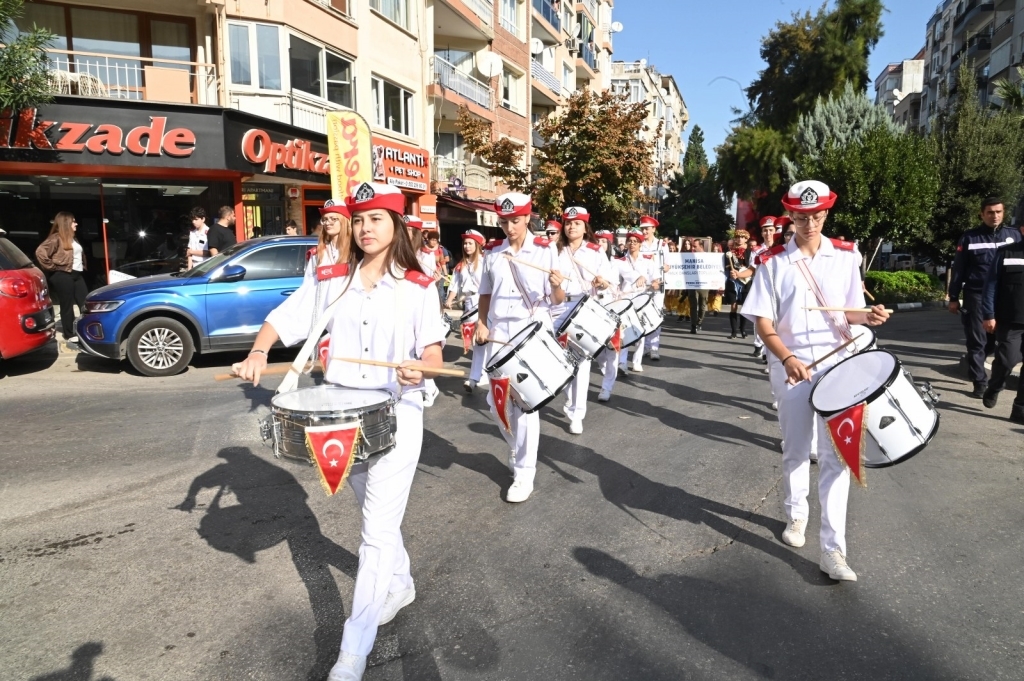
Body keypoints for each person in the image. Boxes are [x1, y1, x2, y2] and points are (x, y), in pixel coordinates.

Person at [232, 182, 447, 681]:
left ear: (397, 225)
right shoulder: (332, 276)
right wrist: (259, 353)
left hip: (397, 414)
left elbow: (433, 351)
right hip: (341, 419)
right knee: (377, 518)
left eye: (377, 218)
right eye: (361, 218)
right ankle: (401, 583)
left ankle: (352, 652)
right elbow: (287, 317)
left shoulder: (418, 284)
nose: (367, 228)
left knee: (373, 532)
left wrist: (423, 367)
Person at [742, 180, 890, 582]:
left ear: (827, 214)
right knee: (795, 449)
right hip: (790, 366)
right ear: (790, 216)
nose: (810, 223)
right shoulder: (772, 262)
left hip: (838, 366)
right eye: (802, 216)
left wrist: (869, 315)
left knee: (836, 456)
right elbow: (762, 321)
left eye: (818, 215)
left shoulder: (845, 257)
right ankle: (796, 515)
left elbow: (849, 313)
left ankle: (833, 550)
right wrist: (786, 357)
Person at [474, 192, 565, 503]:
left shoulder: (545, 250)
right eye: (503, 221)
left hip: (530, 330)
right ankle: (516, 447)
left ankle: (525, 472)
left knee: (525, 404)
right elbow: (484, 293)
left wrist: (556, 285)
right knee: (495, 402)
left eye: (515, 220)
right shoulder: (492, 252)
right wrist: (482, 323)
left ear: (527, 218)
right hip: (499, 333)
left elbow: (557, 300)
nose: (509, 227)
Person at [948, 197, 1022, 397]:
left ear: (1004, 212)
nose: (995, 216)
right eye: (990, 212)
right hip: (977, 296)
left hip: (1006, 299)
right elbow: (959, 269)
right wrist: (953, 296)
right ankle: (980, 382)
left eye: (998, 212)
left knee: (997, 342)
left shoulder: (1014, 236)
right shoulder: (970, 238)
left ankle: (993, 377)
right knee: (977, 341)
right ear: (982, 214)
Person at [553, 206, 614, 434]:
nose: (571, 226)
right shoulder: (554, 249)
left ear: (584, 226)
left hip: (583, 307)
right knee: (562, 360)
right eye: (568, 223)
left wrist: (602, 282)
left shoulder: (595, 251)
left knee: (582, 361)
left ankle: (577, 413)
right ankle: (570, 402)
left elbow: (608, 279)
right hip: (556, 307)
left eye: (576, 223)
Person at [981, 233, 1024, 422]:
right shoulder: (1006, 253)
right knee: (1007, 360)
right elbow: (991, 285)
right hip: (1010, 321)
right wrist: (989, 314)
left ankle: (1019, 409)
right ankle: (995, 385)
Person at [404, 215, 441, 408]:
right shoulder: (399, 252)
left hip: (423, 301)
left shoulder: (426, 255)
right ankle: (430, 387)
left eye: (409, 230)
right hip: (405, 302)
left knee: (424, 351)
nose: (405, 234)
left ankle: (429, 386)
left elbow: (428, 281)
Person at [445, 229, 488, 392]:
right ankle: (479, 375)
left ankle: (476, 376)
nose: (467, 246)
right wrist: (449, 300)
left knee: (481, 342)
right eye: (465, 243)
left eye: (470, 243)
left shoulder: (485, 262)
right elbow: (455, 285)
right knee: (478, 343)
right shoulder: (460, 265)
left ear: (477, 245)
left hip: (484, 303)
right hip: (469, 304)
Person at [36, 212, 87, 343]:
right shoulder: (56, 238)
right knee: (67, 305)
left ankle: (86, 329)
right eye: (73, 221)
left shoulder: (72, 238)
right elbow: (40, 252)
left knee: (85, 302)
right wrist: (53, 267)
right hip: (63, 274)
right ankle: (69, 334)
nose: (76, 224)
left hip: (76, 274)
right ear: (66, 223)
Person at [615, 229, 658, 374]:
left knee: (640, 332)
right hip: (625, 300)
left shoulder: (647, 260)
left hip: (641, 299)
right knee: (624, 333)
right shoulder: (619, 261)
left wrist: (655, 284)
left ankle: (637, 361)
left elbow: (656, 279)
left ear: (640, 244)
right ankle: (622, 363)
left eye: (635, 241)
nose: (632, 243)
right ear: (626, 244)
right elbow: (615, 281)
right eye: (630, 241)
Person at [638, 215, 668, 360]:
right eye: (642, 229)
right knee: (642, 315)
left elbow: (668, 264)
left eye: (646, 229)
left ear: (653, 229)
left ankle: (654, 348)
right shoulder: (638, 244)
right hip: (643, 286)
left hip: (658, 285)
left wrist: (666, 268)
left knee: (656, 316)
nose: (644, 232)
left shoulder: (662, 244)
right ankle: (645, 346)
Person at [724, 229, 754, 339]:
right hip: (733, 281)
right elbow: (725, 266)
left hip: (746, 280)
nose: (740, 239)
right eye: (738, 237)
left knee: (745, 306)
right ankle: (733, 331)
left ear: (746, 239)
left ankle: (743, 329)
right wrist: (730, 271)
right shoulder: (729, 253)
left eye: (742, 237)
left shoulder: (751, 252)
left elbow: (752, 267)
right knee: (733, 306)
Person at [687, 239, 710, 334]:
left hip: (704, 283)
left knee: (702, 304)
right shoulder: (689, 256)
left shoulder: (708, 257)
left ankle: (699, 322)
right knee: (693, 304)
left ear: (701, 246)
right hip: (692, 282)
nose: (693, 248)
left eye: (695, 246)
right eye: (692, 246)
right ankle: (693, 325)